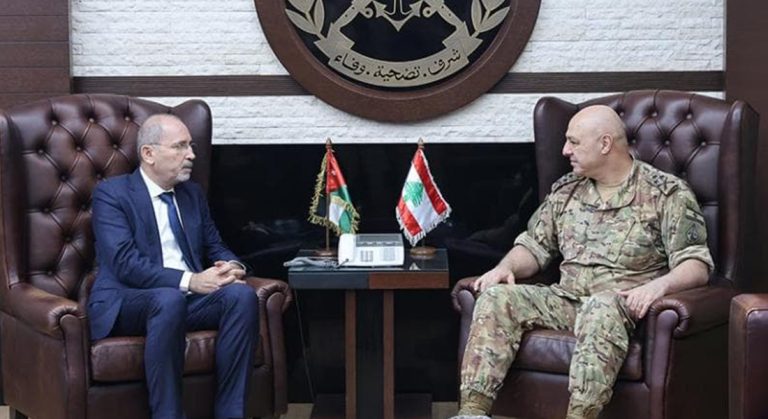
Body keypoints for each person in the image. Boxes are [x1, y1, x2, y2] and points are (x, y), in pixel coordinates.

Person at [451, 105, 714, 419]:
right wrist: (505, 268)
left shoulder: (665, 194)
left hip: (624, 308)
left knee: (600, 306)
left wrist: (658, 287)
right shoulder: (567, 191)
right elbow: (534, 246)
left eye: (574, 142)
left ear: (605, 144)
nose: (565, 150)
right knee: (496, 297)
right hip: (567, 300)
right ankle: (473, 411)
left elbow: (696, 263)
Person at [88, 114, 259, 419]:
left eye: (191, 146)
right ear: (149, 153)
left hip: (183, 301)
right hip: (127, 300)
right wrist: (192, 281)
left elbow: (214, 245)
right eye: (180, 146)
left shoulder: (191, 194)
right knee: (168, 299)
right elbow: (126, 264)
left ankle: (230, 413)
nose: (191, 154)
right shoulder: (112, 194)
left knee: (241, 296)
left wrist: (232, 267)